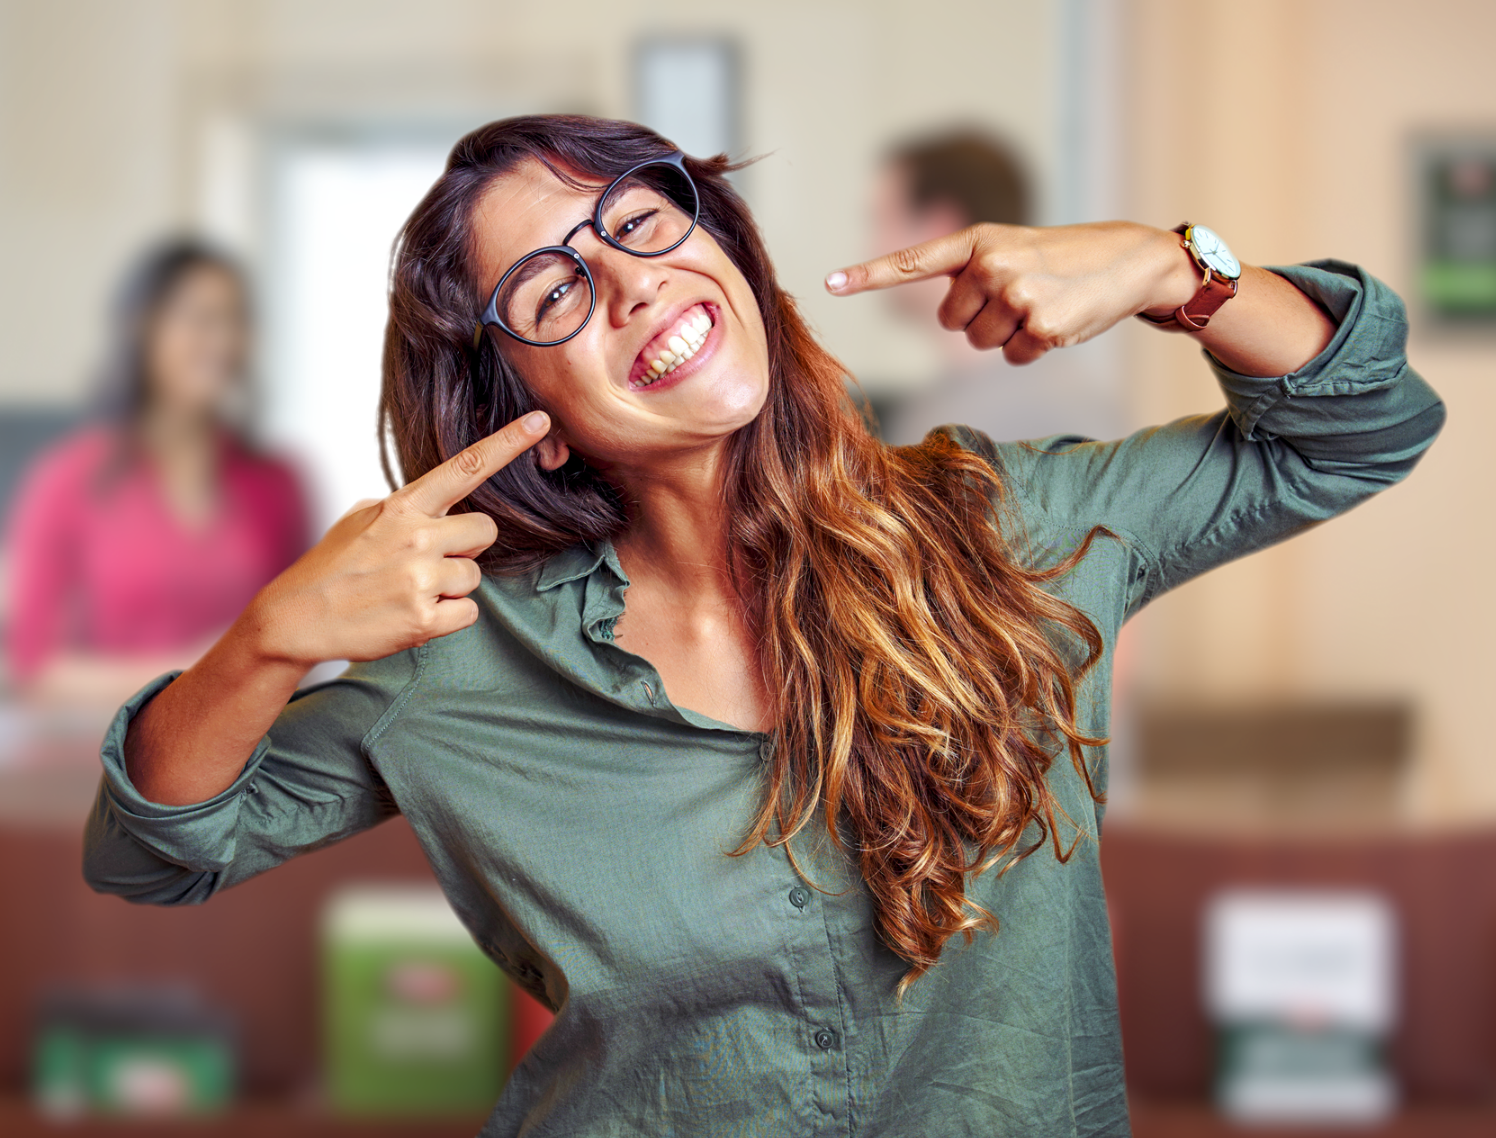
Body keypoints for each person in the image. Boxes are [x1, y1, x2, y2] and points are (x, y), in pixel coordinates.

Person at [83, 116, 1443, 1135]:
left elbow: (1359, 425)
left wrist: (1172, 269)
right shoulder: (459, 660)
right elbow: (156, 847)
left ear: (722, 245)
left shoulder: (1011, 530)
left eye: (642, 221)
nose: (628, 283)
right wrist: (266, 640)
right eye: (553, 291)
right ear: (516, 405)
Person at [4, 240, 309, 707]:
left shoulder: (276, 482)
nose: (223, 340)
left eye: (235, 319)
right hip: (103, 749)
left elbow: (306, 634)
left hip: (246, 758)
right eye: (201, 319)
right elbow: (32, 665)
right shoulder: (68, 479)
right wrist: (187, 673)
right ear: (142, 328)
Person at [872, 127, 1128, 445]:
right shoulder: (930, 409)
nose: (873, 246)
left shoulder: (1055, 410)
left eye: (884, 220)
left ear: (939, 226)